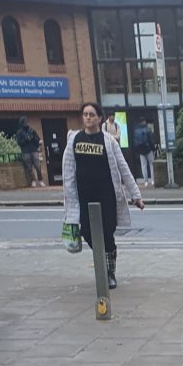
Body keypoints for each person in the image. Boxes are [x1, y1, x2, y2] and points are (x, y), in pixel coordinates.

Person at [62, 102, 143, 289]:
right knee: (87, 232)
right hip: (84, 196)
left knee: (107, 234)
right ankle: (102, 261)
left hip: (106, 194)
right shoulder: (73, 140)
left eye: (92, 114)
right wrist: (68, 196)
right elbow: (68, 171)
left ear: (99, 118)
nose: (88, 117)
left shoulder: (108, 141)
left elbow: (123, 168)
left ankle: (109, 272)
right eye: (85, 114)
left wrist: (135, 195)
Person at [15, 116, 43, 187]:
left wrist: (33, 138)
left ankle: (40, 180)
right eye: (24, 122)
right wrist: (25, 140)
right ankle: (33, 180)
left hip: (34, 150)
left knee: (37, 166)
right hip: (26, 151)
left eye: (26, 122)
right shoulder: (20, 132)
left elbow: (38, 139)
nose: (26, 123)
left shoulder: (32, 131)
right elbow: (19, 142)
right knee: (29, 167)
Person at [135, 118, 155, 186]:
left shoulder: (136, 130)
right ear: (145, 122)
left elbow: (135, 142)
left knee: (143, 166)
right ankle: (152, 180)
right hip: (148, 150)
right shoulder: (148, 129)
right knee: (151, 164)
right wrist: (153, 148)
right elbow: (151, 140)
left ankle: (146, 181)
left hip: (141, 151)